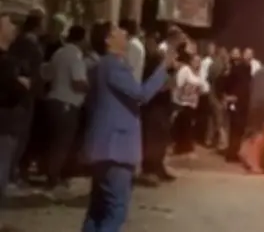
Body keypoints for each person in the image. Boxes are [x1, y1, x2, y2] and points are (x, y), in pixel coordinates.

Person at [82, 22, 176, 232]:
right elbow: (141, 94)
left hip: (102, 146)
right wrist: (163, 68)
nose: (124, 33)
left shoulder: (100, 66)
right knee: (116, 209)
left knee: (98, 209)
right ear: (108, 40)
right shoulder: (114, 65)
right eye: (117, 31)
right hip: (115, 147)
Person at [43, 25, 89, 193]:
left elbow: (47, 74)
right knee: (62, 143)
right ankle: (53, 178)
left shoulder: (59, 52)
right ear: (82, 39)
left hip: (53, 100)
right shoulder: (75, 55)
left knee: (53, 141)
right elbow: (78, 83)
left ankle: (50, 173)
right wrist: (90, 87)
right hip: (67, 104)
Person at [8, 11, 45, 187]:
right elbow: (31, 69)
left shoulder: (19, 42)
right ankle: (11, 173)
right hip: (25, 94)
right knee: (20, 135)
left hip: (21, 92)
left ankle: (12, 171)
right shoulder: (30, 44)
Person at [0, 13, 28, 231]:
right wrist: (21, 83)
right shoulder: (5, 62)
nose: (13, 28)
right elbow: (14, 89)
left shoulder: (10, 59)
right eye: (9, 24)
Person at [140, 31, 179, 184]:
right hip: (154, 106)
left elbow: (170, 82)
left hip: (163, 105)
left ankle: (158, 167)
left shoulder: (162, 63)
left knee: (161, 138)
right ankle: (149, 169)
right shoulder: (152, 63)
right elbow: (153, 85)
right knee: (153, 139)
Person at [171, 50, 209, 156]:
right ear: (191, 61)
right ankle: (180, 147)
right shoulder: (185, 70)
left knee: (189, 125)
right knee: (183, 125)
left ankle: (185, 147)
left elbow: (205, 88)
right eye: (195, 61)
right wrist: (179, 99)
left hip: (193, 103)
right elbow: (178, 85)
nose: (197, 63)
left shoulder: (200, 73)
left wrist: (199, 89)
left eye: (199, 61)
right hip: (183, 103)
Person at [224, 47, 251, 162]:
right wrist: (228, 96)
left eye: (251, 54)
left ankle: (234, 151)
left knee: (239, 129)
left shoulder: (247, 69)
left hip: (243, 103)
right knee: (235, 127)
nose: (249, 56)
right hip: (235, 102)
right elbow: (226, 82)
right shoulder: (236, 69)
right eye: (247, 54)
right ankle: (231, 153)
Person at [205, 46, 229, 149]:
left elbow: (208, 78)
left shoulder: (212, 64)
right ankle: (222, 142)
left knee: (211, 118)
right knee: (219, 119)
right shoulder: (222, 66)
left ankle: (209, 140)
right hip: (218, 95)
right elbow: (222, 83)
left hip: (212, 93)